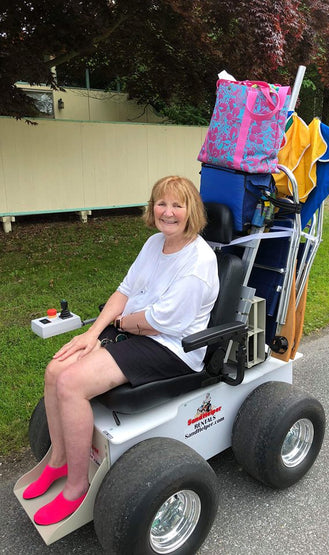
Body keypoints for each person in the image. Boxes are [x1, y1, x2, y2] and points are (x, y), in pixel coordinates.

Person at [24, 176, 219, 526]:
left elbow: (161, 321)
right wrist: (93, 334)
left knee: (71, 383)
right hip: (137, 328)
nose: (168, 212)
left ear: (192, 212)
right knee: (56, 369)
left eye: (178, 205)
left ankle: (76, 487)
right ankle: (58, 460)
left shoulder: (199, 262)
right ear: (153, 208)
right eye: (162, 203)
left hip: (172, 346)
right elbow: (124, 291)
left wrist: (120, 325)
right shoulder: (153, 244)